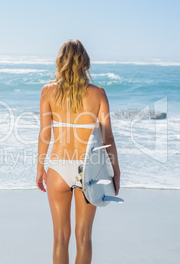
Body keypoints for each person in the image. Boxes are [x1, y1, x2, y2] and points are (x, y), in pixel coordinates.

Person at [36, 39, 121, 264]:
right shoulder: (98, 93)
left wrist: (39, 168)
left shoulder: (47, 92)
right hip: (89, 171)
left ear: (60, 61)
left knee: (60, 238)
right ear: (85, 62)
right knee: (84, 237)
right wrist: (116, 171)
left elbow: (45, 134)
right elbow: (108, 137)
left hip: (58, 168)